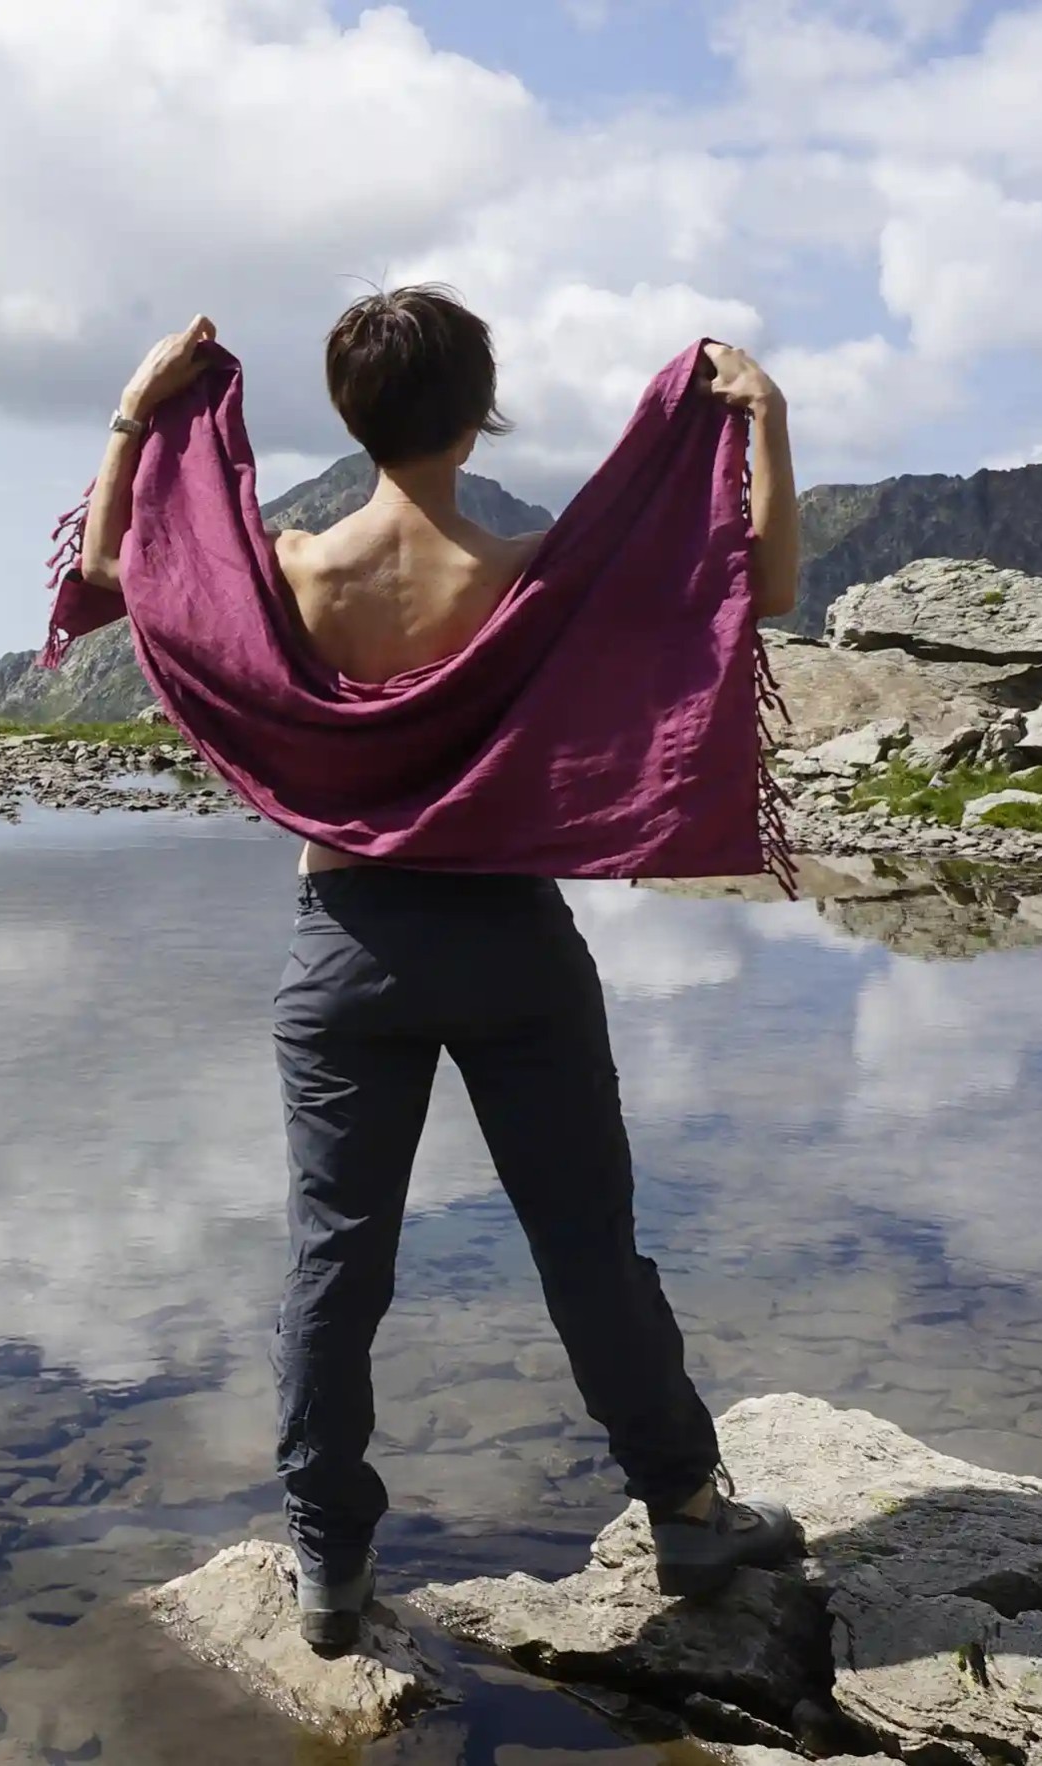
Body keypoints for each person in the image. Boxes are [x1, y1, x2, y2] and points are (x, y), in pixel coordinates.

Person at [77, 287, 807, 1655]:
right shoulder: (531, 576)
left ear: (350, 416)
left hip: (346, 951)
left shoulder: (289, 568)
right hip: (510, 944)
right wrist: (762, 417)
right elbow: (757, 588)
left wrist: (135, 407)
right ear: (481, 412)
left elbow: (121, 575)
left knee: (335, 1263)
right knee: (585, 1245)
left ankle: (332, 1563)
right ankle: (690, 1511)